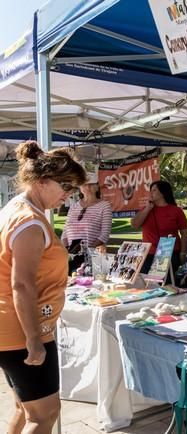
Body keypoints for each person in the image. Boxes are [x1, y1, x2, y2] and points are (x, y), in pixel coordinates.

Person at [0, 141, 86, 434]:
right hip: (23, 329)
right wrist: (34, 340)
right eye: (65, 185)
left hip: (14, 327)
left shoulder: (17, 209)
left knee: (26, 410)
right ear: (41, 181)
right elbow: (21, 285)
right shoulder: (30, 222)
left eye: (73, 188)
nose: (68, 194)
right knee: (44, 414)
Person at [130, 180, 187, 279]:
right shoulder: (146, 209)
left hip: (169, 253)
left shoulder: (176, 211)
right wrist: (148, 208)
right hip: (148, 253)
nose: (151, 193)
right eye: (150, 190)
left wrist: (183, 253)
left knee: (164, 284)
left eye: (154, 190)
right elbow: (134, 224)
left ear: (163, 192)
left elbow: (184, 233)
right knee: (147, 283)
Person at [61, 173, 113, 275]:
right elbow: (65, 231)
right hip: (71, 255)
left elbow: (104, 234)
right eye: (84, 184)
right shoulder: (74, 206)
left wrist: (87, 251)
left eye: (91, 184)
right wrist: (66, 250)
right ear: (80, 187)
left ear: (97, 187)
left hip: (91, 256)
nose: (87, 187)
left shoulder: (104, 206)